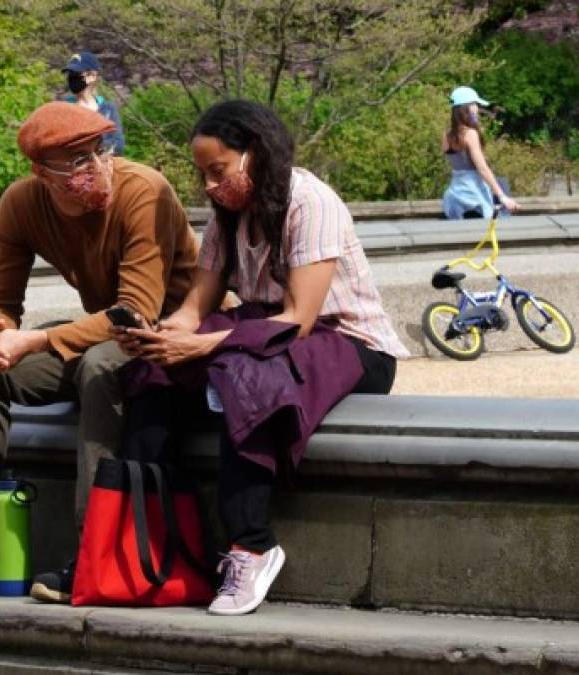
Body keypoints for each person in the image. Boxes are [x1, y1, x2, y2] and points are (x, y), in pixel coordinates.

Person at [0, 101, 200, 601]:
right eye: (75, 164)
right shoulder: (22, 204)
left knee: (99, 366)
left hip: (170, 335)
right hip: (108, 332)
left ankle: (94, 548)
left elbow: (135, 312)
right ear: (41, 172)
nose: (96, 169)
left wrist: (33, 340)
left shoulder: (143, 190)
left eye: (99, 153)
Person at [112, 100, 409, 616]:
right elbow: (195, 305)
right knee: (150, 374)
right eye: (203, 173)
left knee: (243, 374)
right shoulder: (227, 212)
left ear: (254, 154)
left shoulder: (309, 202)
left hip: (348, 342)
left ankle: (252, 544)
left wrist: (202, 345)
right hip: (261, 330)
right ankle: (158, 543)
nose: (209, 185)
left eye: (218, 170)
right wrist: (162, 336)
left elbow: (298, 319)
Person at [441, 86, 520, 219]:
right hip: (474, 197)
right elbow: (482, 169)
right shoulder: (470, 134)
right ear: (468, 107)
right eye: (475, 105)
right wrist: (502, 197)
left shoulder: (447, 135)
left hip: (455, 196)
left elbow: (458, 164)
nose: (477, 109)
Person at [62, 50, 125, 156]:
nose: (72, 78)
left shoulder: (107, 109)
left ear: (93, 76)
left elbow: (118, 144)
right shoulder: (64, 108)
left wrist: (93, 149)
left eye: (77, 74)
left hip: (105, 165)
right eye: (70, 74)